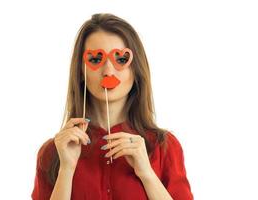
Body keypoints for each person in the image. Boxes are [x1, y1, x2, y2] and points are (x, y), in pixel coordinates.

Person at [31, 13, 193, 200]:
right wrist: (66, 170)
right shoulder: (54, 152)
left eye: (121, 60)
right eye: (95, 60)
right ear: (81, 71)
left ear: (136, 69)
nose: (108, 71)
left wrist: (147, 174)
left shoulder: (165, 147)